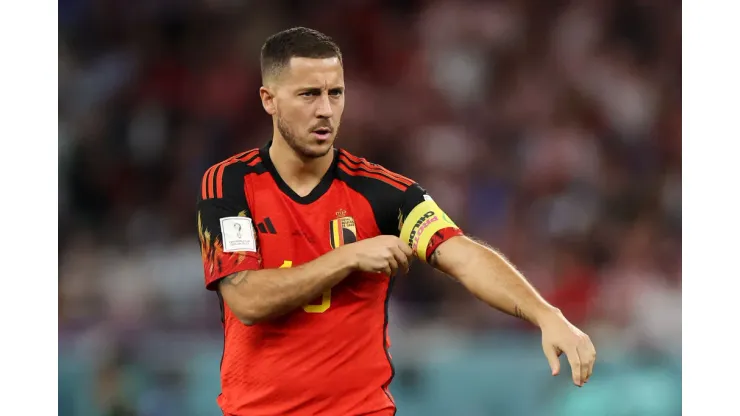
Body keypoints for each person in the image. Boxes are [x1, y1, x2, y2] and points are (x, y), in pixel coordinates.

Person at [196, 26, 596, 416]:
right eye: (308, 95)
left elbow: (463, 255)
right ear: (269, 100)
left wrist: (547, 314)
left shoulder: (384, 192)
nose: (325, 110)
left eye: (335, 93)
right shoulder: (230, 184)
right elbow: (247, 299)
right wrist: (348, 257)